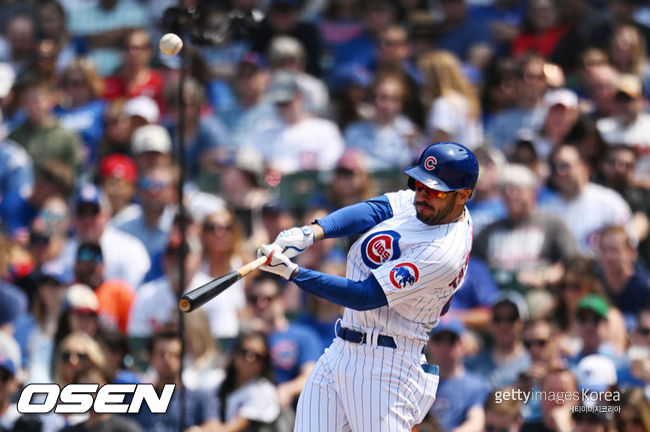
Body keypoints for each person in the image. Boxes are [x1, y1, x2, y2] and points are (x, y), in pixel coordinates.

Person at [256, 141, 478, 431]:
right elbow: (374, 209)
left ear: (463, 196)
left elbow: (365, 295)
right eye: (418, 184)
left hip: (387, 367)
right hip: (342, 349)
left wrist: (295, 274)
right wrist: (312, 232)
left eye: (434, 190)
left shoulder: (443, 251)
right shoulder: (429, 206)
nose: (422, 195)